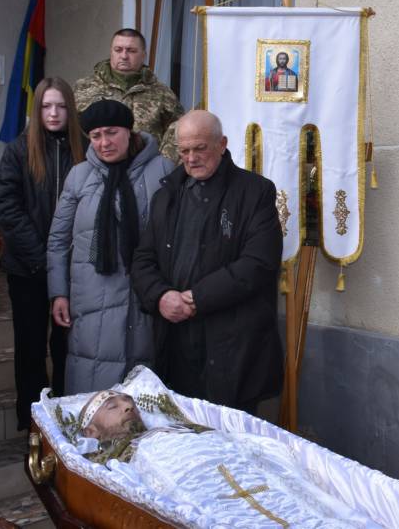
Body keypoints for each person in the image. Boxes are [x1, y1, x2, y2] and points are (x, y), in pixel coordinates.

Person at [130, 110, 283, 413]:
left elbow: (258, 263)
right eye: (184, 151)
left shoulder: (255, 192)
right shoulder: (166, 195)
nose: (191, 158)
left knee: (229, 434)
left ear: (221, 144)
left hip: (233, 346)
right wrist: (160, 296)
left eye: (200, 148)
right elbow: (143, 259)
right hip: (175, 342)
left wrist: (196, 298)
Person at [72, 388, 376, 526]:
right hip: (195, 488)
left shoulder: (180, 427)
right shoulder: (117, 463)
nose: (128, 406)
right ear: (91, 431)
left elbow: (241, 445)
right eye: (112, 407)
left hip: (243, 472)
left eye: (129, 401)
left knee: (303, 509)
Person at [47, 100, 173, 395]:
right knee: (92, 389)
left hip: (146, 295)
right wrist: (58, 293)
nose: (104, 143)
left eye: (112, 133)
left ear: (129, 131)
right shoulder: (79, 176)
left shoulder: (162, 170)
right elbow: (58, 240)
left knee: (143, 392)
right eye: (96, 136)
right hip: (91, 296)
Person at [0, 77, 86, 429]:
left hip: (74, 271)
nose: (54, 113)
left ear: (70, 109)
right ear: (38, 110)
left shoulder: (85, 149)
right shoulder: (19, 150)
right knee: (30, 349)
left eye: (60, 106)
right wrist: (44, 259)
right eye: (46, 106)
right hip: (27, 268)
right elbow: (7, 208)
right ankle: (32, 425)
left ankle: (65, 422)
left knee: (66, 349)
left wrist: (66, 260)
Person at [73, 29, 183, 159]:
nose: (124, 56)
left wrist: (163, 163)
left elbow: (180, 131)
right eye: (118, 50)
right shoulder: (83, 88)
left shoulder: (162, 93)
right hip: (96, 165)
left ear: (143, 55)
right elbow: (70, 129)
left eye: (131, 51)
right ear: (111, 52)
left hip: (147, 167)